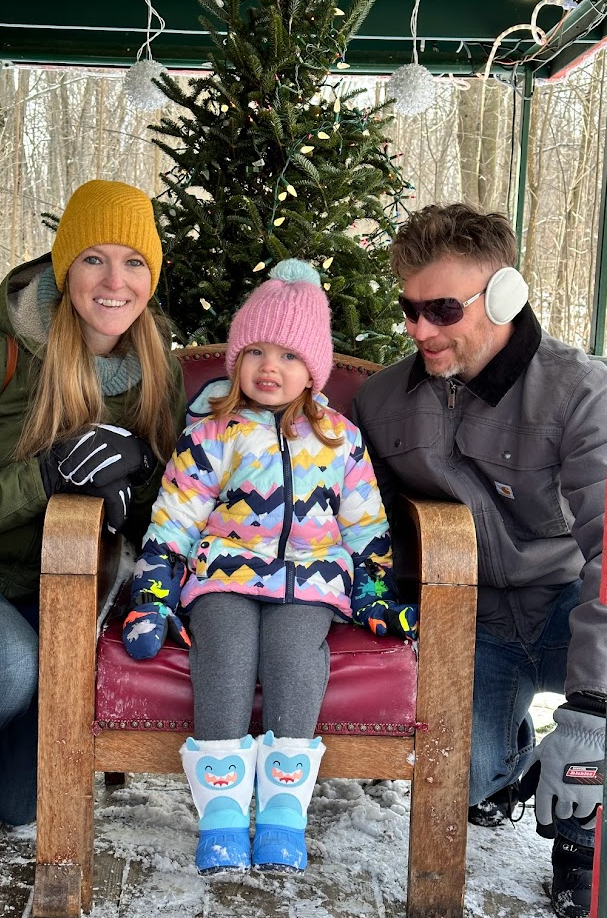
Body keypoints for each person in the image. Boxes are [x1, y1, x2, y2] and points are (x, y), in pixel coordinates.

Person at [121, 259, 418, 876]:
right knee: (224, 650)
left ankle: (285, 812)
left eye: (287, 354)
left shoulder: (340, 439)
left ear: (314, 368)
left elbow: (366, 526)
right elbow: (173, 520)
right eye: (255, 351)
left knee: (293, 654)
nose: (269, 367)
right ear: (236, 362)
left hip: (310, 582)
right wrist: (152, 598)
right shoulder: (211, 435)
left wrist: (374, 594)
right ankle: (222, 815)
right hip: (224, 575)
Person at [352, 202, 607, 918]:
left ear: (504, 297)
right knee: (457, 781)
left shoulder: (581, 391)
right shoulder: (382, 402)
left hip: (568, 607)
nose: (417, 329)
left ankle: (585, 832)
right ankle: (513, 758)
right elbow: (361, 527)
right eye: (408, 308)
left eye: (440, 309)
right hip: (474, 625)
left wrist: (592, 711)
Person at [0, 179, 186, 872]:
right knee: (6, 664)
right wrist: (44, 477)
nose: (114, 281)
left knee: (20, 800)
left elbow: (170, 494)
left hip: (58, 575)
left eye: (134, 262)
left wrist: (132, 496)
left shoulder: (154, 361)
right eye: (94, 259)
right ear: (65, 265)